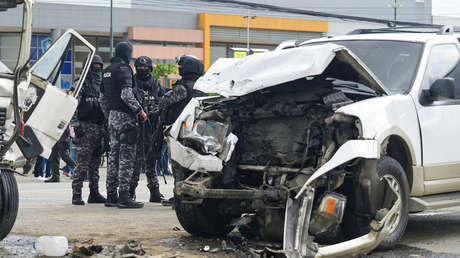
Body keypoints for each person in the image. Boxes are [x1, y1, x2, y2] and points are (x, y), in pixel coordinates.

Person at [100, 42, 147, 209]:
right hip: (126, 117)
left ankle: (111, 196)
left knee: (113, 157)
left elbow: (102, 99)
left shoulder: (107, 71)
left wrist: (109, 116)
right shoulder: (124, 69)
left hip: (112, 117)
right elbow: (126, 94)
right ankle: (124, 197)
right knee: (126, 157)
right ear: (127, 53)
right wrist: (140, 111)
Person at [158, 55, 205, 206]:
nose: (180, 69)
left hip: (180, 131)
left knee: (178, 164)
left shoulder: (183, 87)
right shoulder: (203, 85)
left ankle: (179, 196)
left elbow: (164, 102)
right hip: (199, 131)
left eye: (181, 67)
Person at [70, 54, 107, 205]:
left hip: (100, 128)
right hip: (84, 128)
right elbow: (71, 105)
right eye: (94, 66)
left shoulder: (102, 85)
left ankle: (94, 193)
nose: (97, 69)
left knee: (95, 164)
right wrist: (75, 125)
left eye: (99, 66)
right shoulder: (80, 84)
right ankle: (76, 194)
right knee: (82, 163)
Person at [130, 56, 165, 203]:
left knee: (152, 161)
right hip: (137, 127)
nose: (143, 70)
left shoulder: (156, 84)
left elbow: (163, 101)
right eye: (140, 67)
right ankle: (130, 191)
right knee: (136, 163)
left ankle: (155, 191)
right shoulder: (131, 82)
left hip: (153, 127)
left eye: (146, 68)